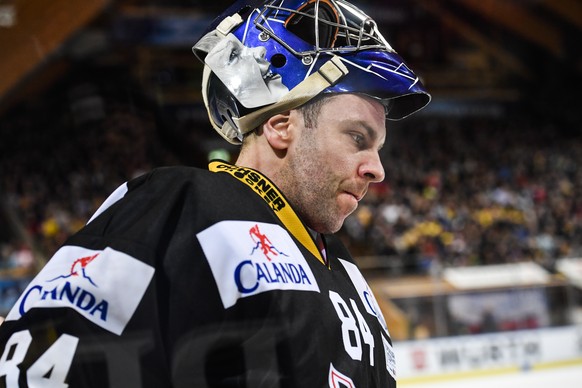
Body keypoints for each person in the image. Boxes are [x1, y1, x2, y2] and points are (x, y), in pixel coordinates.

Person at [0, 0, 430, 386]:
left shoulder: (345, 268)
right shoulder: (184, 204)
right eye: (358, 137)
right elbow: (38, 365)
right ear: (281, 127)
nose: (377, 169)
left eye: (378, 148)